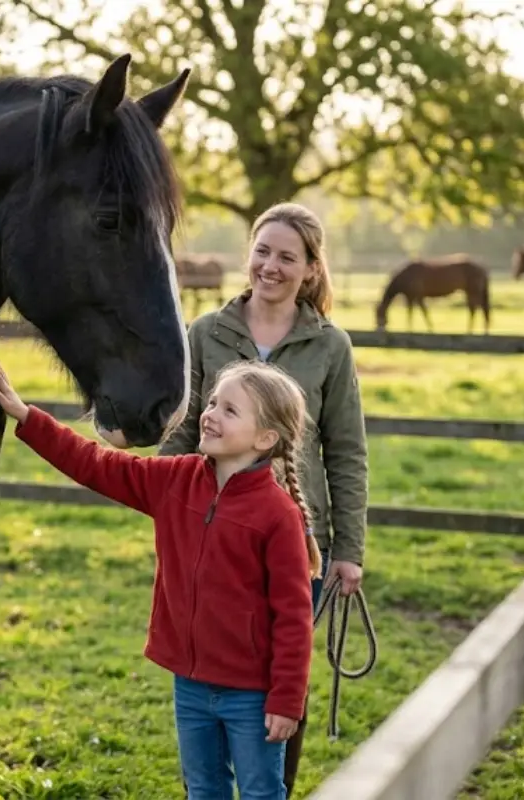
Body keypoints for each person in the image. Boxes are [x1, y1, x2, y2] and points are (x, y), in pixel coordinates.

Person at [0, 356, 317, 800]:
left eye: (230, 410)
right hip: (191, 686)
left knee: (261, 792)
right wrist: (29, 418)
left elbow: (294, 618)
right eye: (214, 402)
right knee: (203, 789)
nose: (210, 414)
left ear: (266, 438)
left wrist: (286, 701)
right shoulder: (175, 480)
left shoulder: (278, 517)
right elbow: (97, 465)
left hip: (252, 694)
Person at [159, 201, 369, 795]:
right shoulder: (206, 332)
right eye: (262, 251)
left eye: (287, 256)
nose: (270, 266)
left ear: (310, 269)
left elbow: (346, 452)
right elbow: (184, 428)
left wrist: (347, 549)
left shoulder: (331, 347)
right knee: (209, 681)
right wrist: (163, 485)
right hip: (216, 534)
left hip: (299, 541)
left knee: (282, 686)